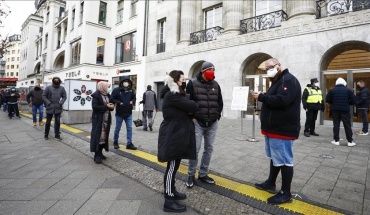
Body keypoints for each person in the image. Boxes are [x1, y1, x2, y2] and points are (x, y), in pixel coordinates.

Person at [251, 58, 301, 205]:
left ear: (279, 66)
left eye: (270, 67)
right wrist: (264, 96)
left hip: (283, 129)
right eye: (266, 69)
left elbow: (281, 100)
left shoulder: (288, 80)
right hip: (274, 129)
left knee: (285, 160)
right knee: (275, 157)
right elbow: (274, 98)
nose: (268, 71)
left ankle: (286, 193)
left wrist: (261, 96)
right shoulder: (279, 81)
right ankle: (271, 183)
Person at [158, 70, 198, 213]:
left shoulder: (176, 95)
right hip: (173, 133)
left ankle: (172, 190)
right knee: (171, 166)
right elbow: (193, 106)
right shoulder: (172, 95)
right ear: (175, 81)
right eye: (182, 80)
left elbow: (188, 106)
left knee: (174, 165)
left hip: (177, 132)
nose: (184, 82)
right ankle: (168, 200)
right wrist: (190, 105)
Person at [185, 61, 223, 188]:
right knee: (195, 149)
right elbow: (187, 102)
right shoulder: (192, 83)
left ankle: (203, 174)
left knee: (209, 149)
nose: (212, 71)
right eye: (210, 69)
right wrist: (192, 117)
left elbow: (220, 102)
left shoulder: (216, 85)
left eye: (214, 69)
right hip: (198, 122)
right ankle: (191, 175)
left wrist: (217, 116)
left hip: (212, 122)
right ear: (203, 71)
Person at [326, 77, 356, 146]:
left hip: (335, 110)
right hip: (345, 110)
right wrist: (348, 103)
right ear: (344, 83)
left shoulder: (332, 90)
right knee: (347, 125)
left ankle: (336, 140)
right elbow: (354, 101)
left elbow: (328, 100)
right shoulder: (348, 90)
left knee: (336, 125)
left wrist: (333, 103)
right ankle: (350, 141)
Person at [90, 82, 115, 164]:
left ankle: (100, 152)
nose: (108, 88)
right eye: (107, 87)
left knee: (104, 137)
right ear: (102, 87)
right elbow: (95, 107)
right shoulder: (96, 95)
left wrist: (112, 107)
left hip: (106, 119)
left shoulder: (107, 95)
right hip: (98, 119)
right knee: (98, 136)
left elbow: (110, 105)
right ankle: (96, 155)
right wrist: (106, 106)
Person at [110, 76, 137, 150]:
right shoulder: (116, 90)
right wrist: (119, 102)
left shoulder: (131, 90)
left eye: (128, 81)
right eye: (125, 81)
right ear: (121, 82)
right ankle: (115, 142)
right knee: (117, 128)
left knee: (129, 128)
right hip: (119, 113)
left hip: (128, 113)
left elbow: (134, 97)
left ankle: (129, 143)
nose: (126, 83)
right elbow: (111, 98)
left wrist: (133, 101)